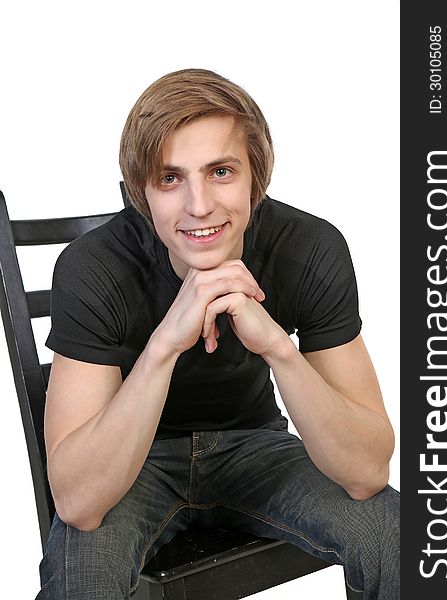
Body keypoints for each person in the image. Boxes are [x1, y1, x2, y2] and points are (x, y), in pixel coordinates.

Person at [36, 68, 399, 599]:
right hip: (133, 462)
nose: (199, 205)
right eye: (169, 178)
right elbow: (79, 503)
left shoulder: (309, 248)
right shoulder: (93, 268)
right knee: (83, 572)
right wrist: (165, 344)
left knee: (395, 533)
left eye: (221, 171)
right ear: (142, 192)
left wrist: (278, 347)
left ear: (258, 177)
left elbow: (366, 471)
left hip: (257, 449)